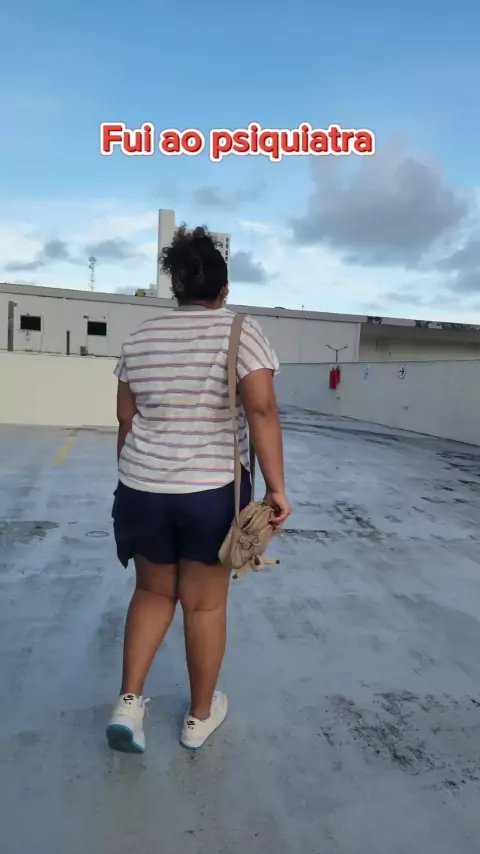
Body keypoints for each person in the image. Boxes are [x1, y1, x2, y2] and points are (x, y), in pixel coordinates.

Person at [107, 226, 290, 753]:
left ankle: (128, 706)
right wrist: (277, 489)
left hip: (141, 489)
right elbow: (261, 409)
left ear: (177, 286)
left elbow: (125, 418)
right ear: (224, 288)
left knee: (151, 593)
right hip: (210, 492)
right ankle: (199, 718)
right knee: (204, 607)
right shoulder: (241, 331)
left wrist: (137, 476)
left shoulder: (140, 338)